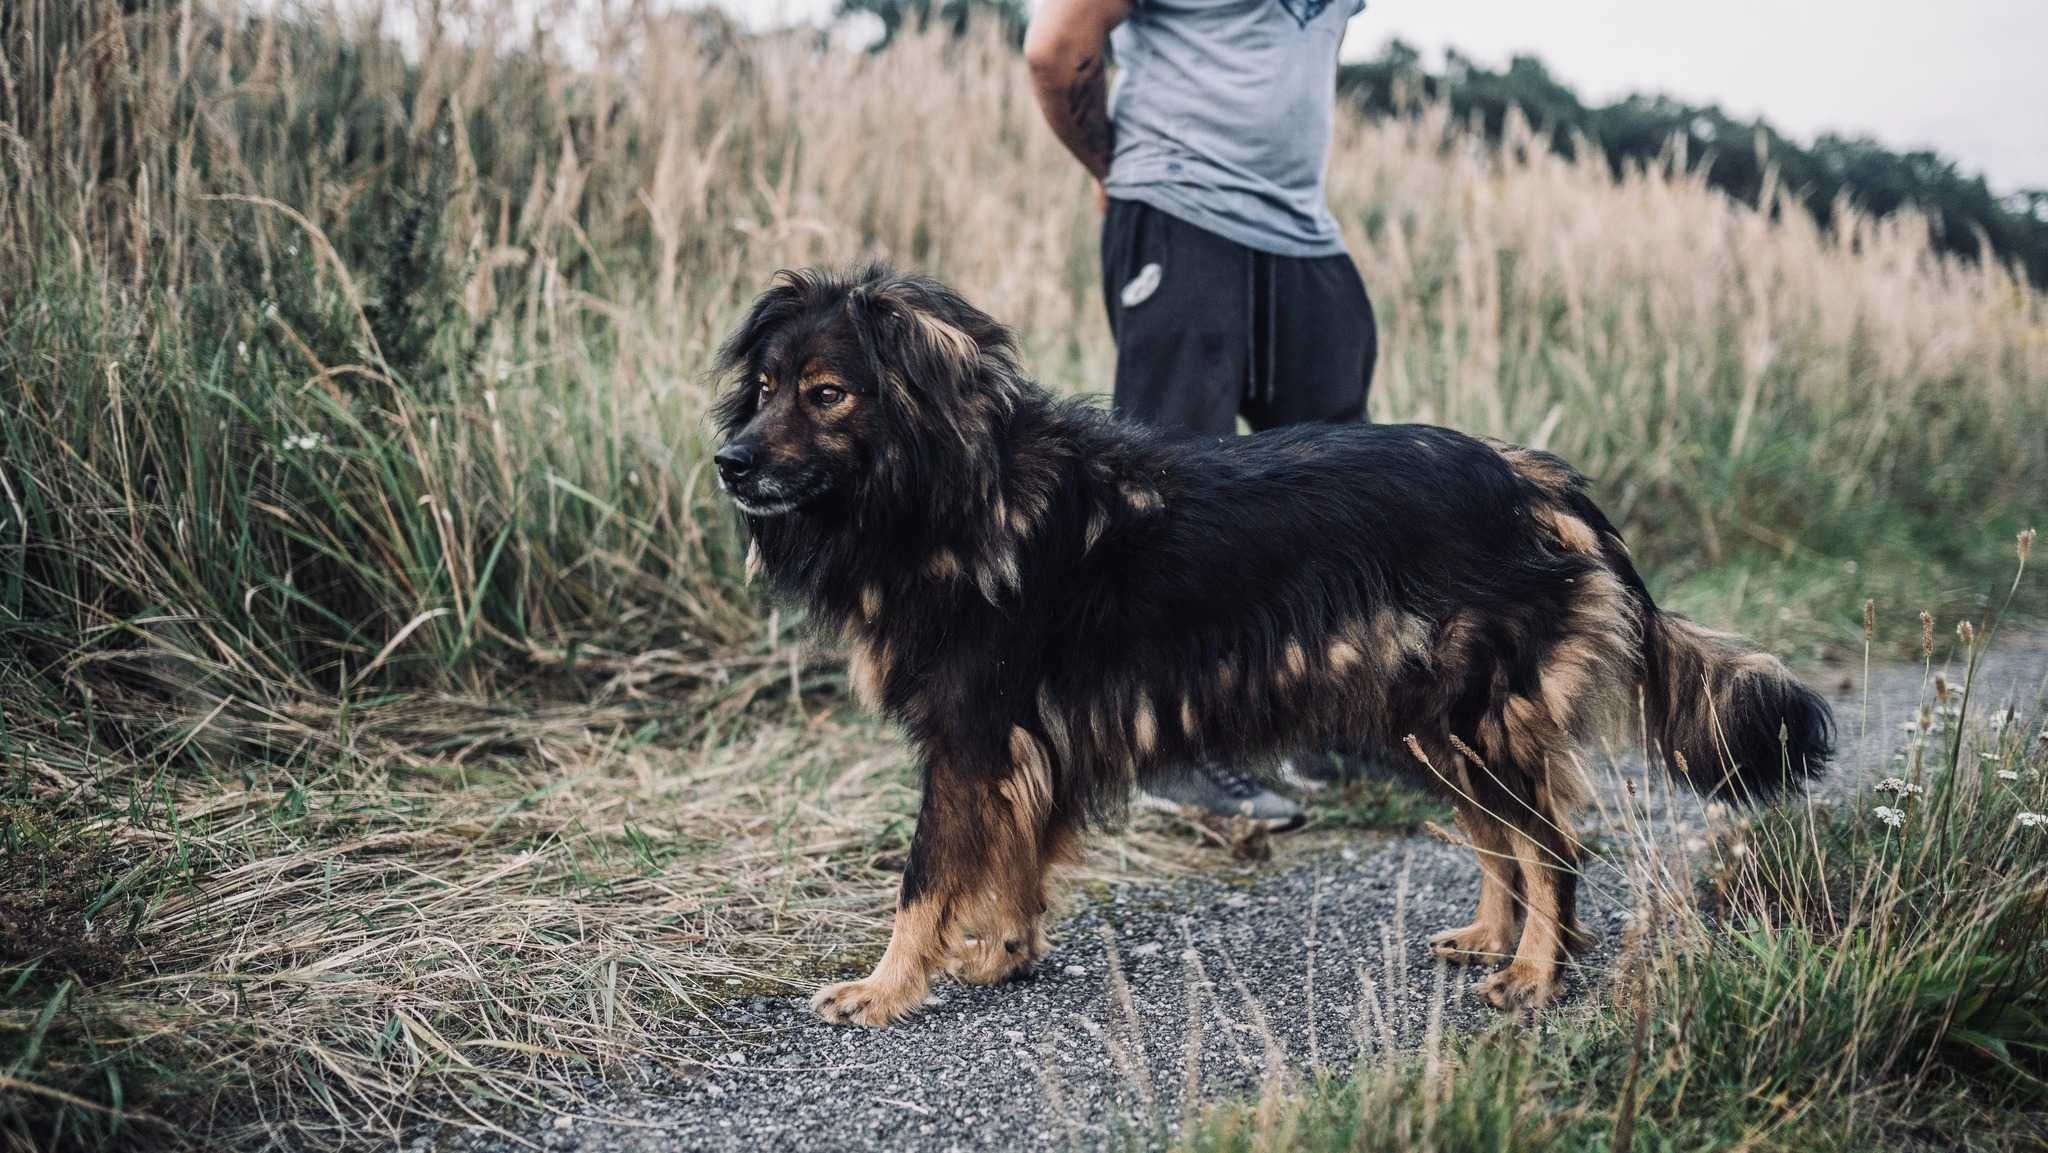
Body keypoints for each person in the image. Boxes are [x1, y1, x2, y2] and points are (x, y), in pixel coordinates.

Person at [1024, 0, 1379, 829]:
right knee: (1171, 494)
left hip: (1299, 229)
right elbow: (1055, 49)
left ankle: (1319, 721)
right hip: (1181, 205)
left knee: (1344, 480)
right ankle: (1170, 750)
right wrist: (1114, 165)